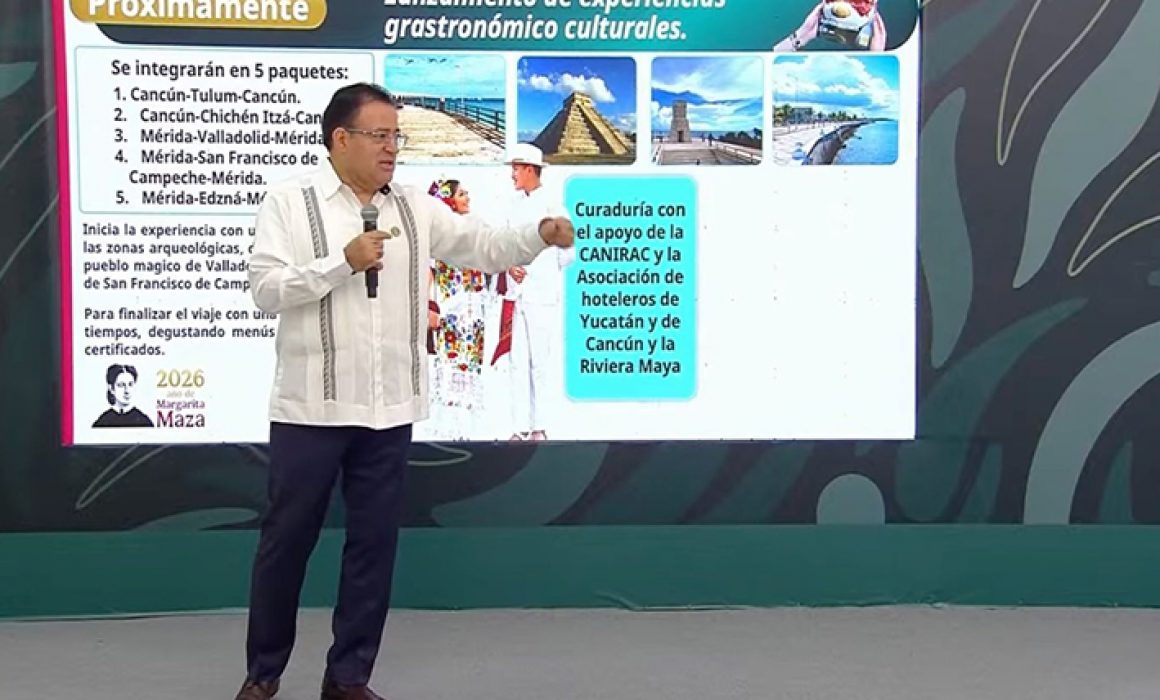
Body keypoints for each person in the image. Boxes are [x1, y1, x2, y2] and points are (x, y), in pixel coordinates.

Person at [234, 83, 574, 700]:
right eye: (380, 135)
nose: (392, 147)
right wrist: (342, 262)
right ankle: (263, 674)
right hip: (310, 409)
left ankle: (348, 678)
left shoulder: (415, 206)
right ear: (341, 139)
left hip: (388, 410)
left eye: (397, 136)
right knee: (286, 544)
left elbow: (483, 247)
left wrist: (540, 233)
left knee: (373, 548)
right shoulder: (290, 201)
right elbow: (266, 289)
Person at [489, 143, 573, 441]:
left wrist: (537, 272)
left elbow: (568, 253)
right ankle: (518, 427)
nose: (512, 174)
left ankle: (540, 426)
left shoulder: (553, 207)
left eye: (516, 169)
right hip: (516, 294)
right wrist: (510, 265)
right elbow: (502, 242)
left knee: (539, 363)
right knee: (516, 362)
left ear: (529, 169)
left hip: (540, 294)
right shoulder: (510, 205)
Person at [423, 178, 493, 440]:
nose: (467, 198)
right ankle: (447, 428)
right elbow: (428, 271)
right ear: (448, 200)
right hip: (450, 308)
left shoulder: (477, 225)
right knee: (450, 362)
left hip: (474, 308)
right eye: (462, 194)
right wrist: (429, 305)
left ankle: (469, 430)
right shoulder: (437, 233)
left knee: (471, 362)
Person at [91, 363, 153, 427]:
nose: (127, 391)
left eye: (130, 384)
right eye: (121, 385)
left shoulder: (145, 422)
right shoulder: (102, 422)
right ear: (111, 388)